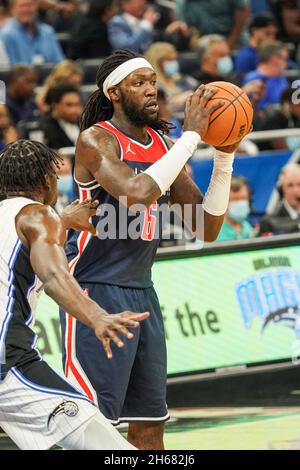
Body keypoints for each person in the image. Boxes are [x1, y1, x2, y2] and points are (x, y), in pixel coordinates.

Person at [60, 49, 245, 450]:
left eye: (152, 81)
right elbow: (135, 194)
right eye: (138, 83)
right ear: (114, 92)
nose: (150, 90)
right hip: (94, 292)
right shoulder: (96, 140)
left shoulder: (164, 145)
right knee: (94, 430)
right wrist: (191, 137)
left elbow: (207, 226)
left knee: (149, 428)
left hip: (143, 292)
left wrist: (225, 154)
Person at [0, 138, 149, 450]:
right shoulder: (39, 216)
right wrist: (97, 317)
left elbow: (18, 247)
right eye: (57, 175)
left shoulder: (22, 218)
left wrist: (63, 220)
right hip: (8, 362)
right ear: (46, 180)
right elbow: (54, 276)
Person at [1, 0, 65, 65]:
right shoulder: (6, 35)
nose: (26, 10)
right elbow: (10, 69)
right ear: (12, 9)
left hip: (50, 74)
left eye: (30, 5)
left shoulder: (48, 32)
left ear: (36, 7)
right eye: (22, 6)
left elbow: (60, 63)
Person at [145, 42, 198, 112]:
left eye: (174, 59)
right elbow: (161, 108)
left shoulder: (182, 78)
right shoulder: (153, 85)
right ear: (157, 62)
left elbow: (199, 86)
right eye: (169, 60)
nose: (173, 63)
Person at [175, 0, 251, 50]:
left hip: (233, 40)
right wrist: (182, 31)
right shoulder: (182, 3)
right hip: (203, 44)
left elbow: (244, 9)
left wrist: (231, 42)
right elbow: (186, 27)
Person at [243, 41, 289, 111]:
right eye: (285, 59)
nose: (286, 64)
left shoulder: (281, 78)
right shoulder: (254, 79)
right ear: (274, 59)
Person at [259, 164, 300, 235]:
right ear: (281, 189)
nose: (295, 190)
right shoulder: (269, 222)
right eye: (290, 185)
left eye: (299, 184)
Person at [39, 85, 82, 149]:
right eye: (69, 105)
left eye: (77, 104)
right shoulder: (45, 128)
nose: (74, 110)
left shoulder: (85, 124)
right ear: (55, 105)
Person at [217, 176, 254, 241]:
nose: (240, 203)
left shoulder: (247, 227)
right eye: (235, 199)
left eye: (244, 198)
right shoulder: (212, 232)